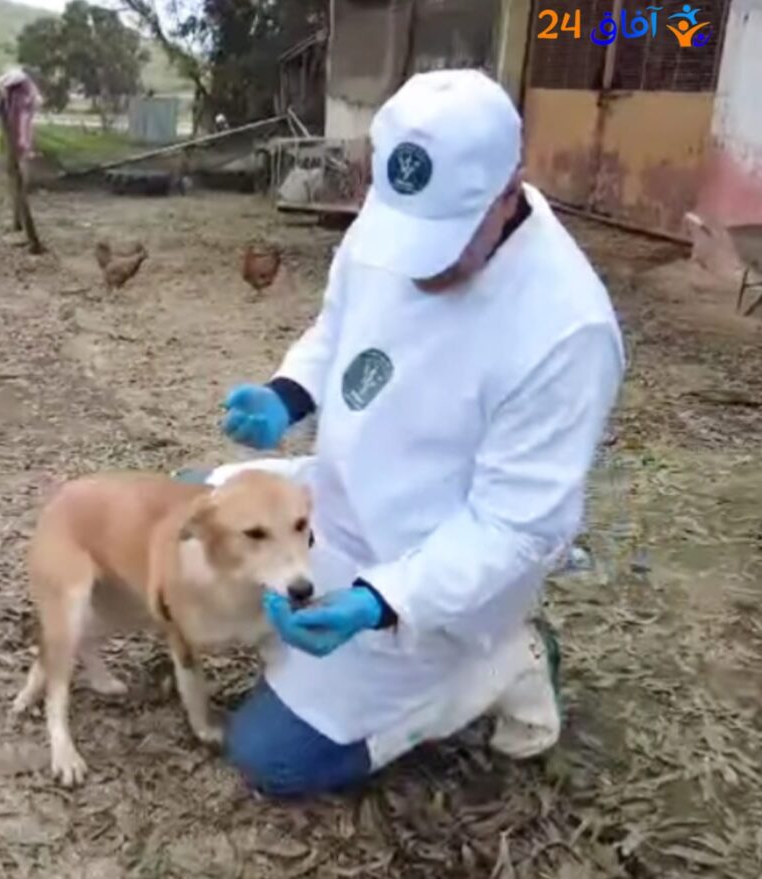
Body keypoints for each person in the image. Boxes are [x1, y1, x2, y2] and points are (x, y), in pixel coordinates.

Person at [184, 68, 625, 798]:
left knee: (269, 756)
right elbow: (338, 330)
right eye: (406, 233)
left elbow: (515, 526)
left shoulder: (565, 328)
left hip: (429, 569)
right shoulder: (393, 217)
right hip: (337, 496)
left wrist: (380, 600)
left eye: (445, 241)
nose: (418, 264)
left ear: (509, 192)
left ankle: (498, 663)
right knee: (183, 508)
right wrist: (286, 396)